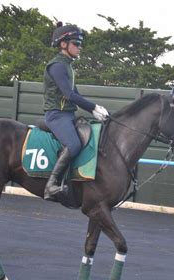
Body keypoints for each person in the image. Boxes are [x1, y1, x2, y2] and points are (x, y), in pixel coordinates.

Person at [43, 22, 109, 201]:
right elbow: (69, 94)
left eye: (80, 44)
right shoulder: (57, 66)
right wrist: (93, 107)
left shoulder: (68, 66)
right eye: (76, 44)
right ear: (64, 44)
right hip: (56, 115)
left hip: (68, 115)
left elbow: (75, 93)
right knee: (73, 145)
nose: (80, 47)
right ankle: (51, 185)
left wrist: (94, 110)